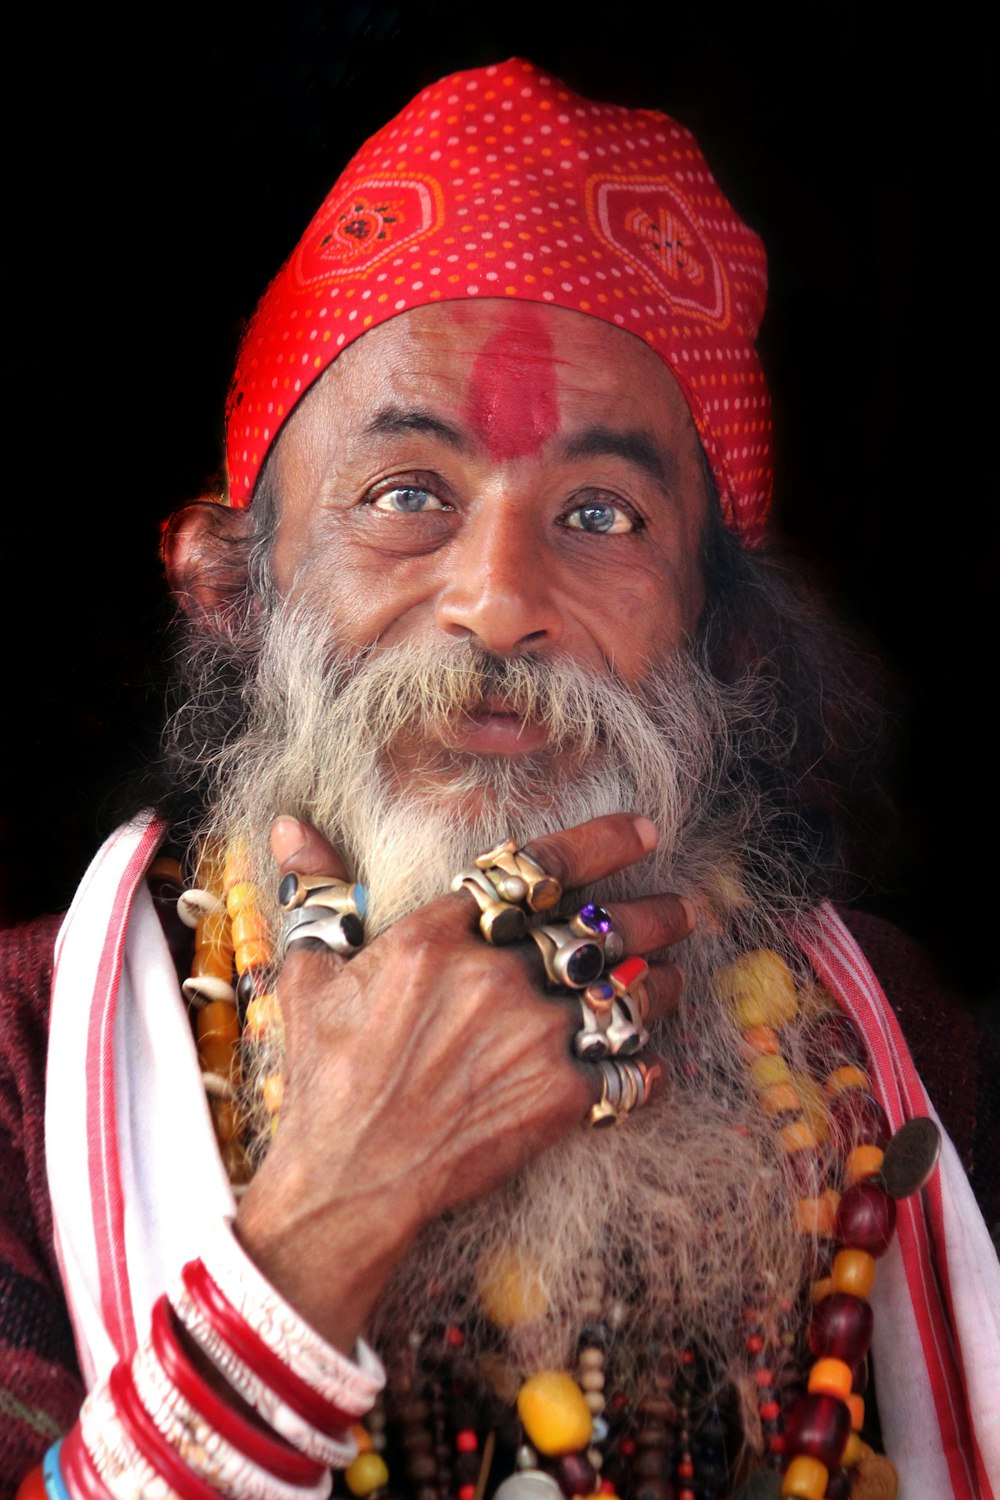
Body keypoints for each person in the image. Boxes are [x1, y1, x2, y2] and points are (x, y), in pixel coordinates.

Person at [3, 58, 997, 1500]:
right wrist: (345, 1198)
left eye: (601, 514)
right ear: (230, 584)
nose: (498, 599)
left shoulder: (904, 1056)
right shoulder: (15, 1060)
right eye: (408, 497)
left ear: (715, 634)